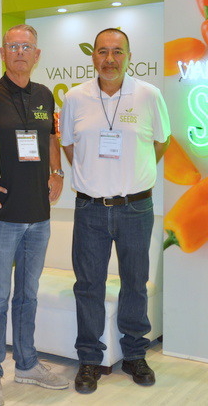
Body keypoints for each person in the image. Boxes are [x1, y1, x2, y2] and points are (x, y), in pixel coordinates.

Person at [59, 28, 171, 394]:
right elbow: (70, 146)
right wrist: (92, 176)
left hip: (135, 207)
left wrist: (137, 173)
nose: (110, 59)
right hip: (90, 207)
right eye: (103, 51)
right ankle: (90, 359)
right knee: (88, 285)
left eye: (117, 52)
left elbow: (161, 141)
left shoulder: (149, 95)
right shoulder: (75, 98)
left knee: (135, 282)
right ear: (93, 56)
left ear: (129, 56)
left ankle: (135, 354)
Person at [0, 25, 68, 405]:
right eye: (13, 46)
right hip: (2, 218)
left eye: (26, 47)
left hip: (39, 215)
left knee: (28, 295)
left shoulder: (44, 95)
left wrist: (57, 172)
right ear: (2, 52)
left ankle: (26, 363)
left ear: (37, 55)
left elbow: (51, 137)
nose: (20, 52)